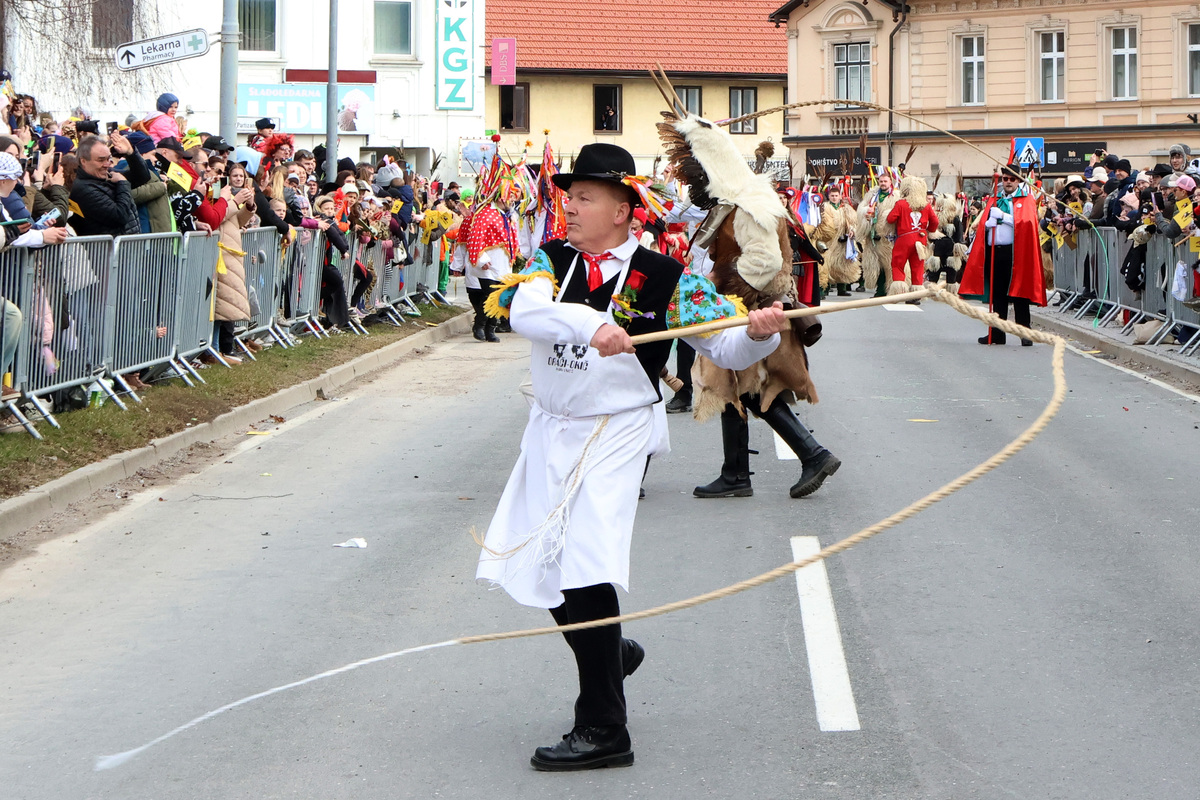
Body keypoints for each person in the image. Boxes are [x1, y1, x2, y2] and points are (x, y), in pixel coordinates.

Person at [476, 142, 787, 771]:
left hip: (616, 432)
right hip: (550, 429)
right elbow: (527, 312)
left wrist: (758, 335)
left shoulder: (665, 276)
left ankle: (603, 727)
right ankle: (610, 653)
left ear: (622, 209)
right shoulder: (549, 261)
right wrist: (590, 326)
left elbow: (723, 347)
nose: (569, 207)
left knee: (587, 561)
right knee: (540, 559)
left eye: (584, 197)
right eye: (569, 197)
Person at [961, 166, 1044, 345]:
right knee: (997, 295)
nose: (1008, 182)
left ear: (1018, 181)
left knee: (1020, 294)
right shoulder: (995, 199)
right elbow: (983, 224)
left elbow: (1028, 224)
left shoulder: (1026, 199)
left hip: (1015, 253)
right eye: (1005, 179)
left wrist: (1004, 217)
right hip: (995, 251)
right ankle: (997, 333)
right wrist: (987, 225)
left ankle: (1025, 334)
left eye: (1012, 179)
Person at [68, 135, 144, 236]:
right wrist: (123, 183)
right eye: (101, 160)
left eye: (108, 159)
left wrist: (130, 153)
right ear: (83, 161)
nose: (107, 164)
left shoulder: (107, 174)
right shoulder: (82, 188)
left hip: (127, 243)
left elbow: (142, 177)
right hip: (108, 245)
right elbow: (119, 216)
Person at [884, 175, 938, 298]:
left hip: (904, 239)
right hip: (921, 239)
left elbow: (890, 219)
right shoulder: (926, 205)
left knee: (897, 265)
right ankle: (915, 295)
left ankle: (899, 293)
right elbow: (935, 222)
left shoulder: (901, 203)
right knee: (918, 267)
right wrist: (929, 230)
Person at [855, 169, 897, 296]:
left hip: (888, 238)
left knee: (888, 265)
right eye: (881, 181)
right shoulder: (872, 195)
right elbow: (861, 209)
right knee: (874, 264)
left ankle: (888, 290)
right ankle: (879, 290)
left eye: (885, 181)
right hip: (872, 236)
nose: (883, 183)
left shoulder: (896, 196)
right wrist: (866, 212)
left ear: (890, 182)